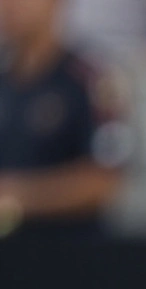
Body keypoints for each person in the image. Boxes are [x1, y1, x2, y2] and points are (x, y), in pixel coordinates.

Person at [0, 0, 132, 243]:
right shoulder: (4, 77)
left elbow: (106, 179)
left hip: (67, 257)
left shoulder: (93, 77)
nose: (11, 5)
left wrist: (20, 196)